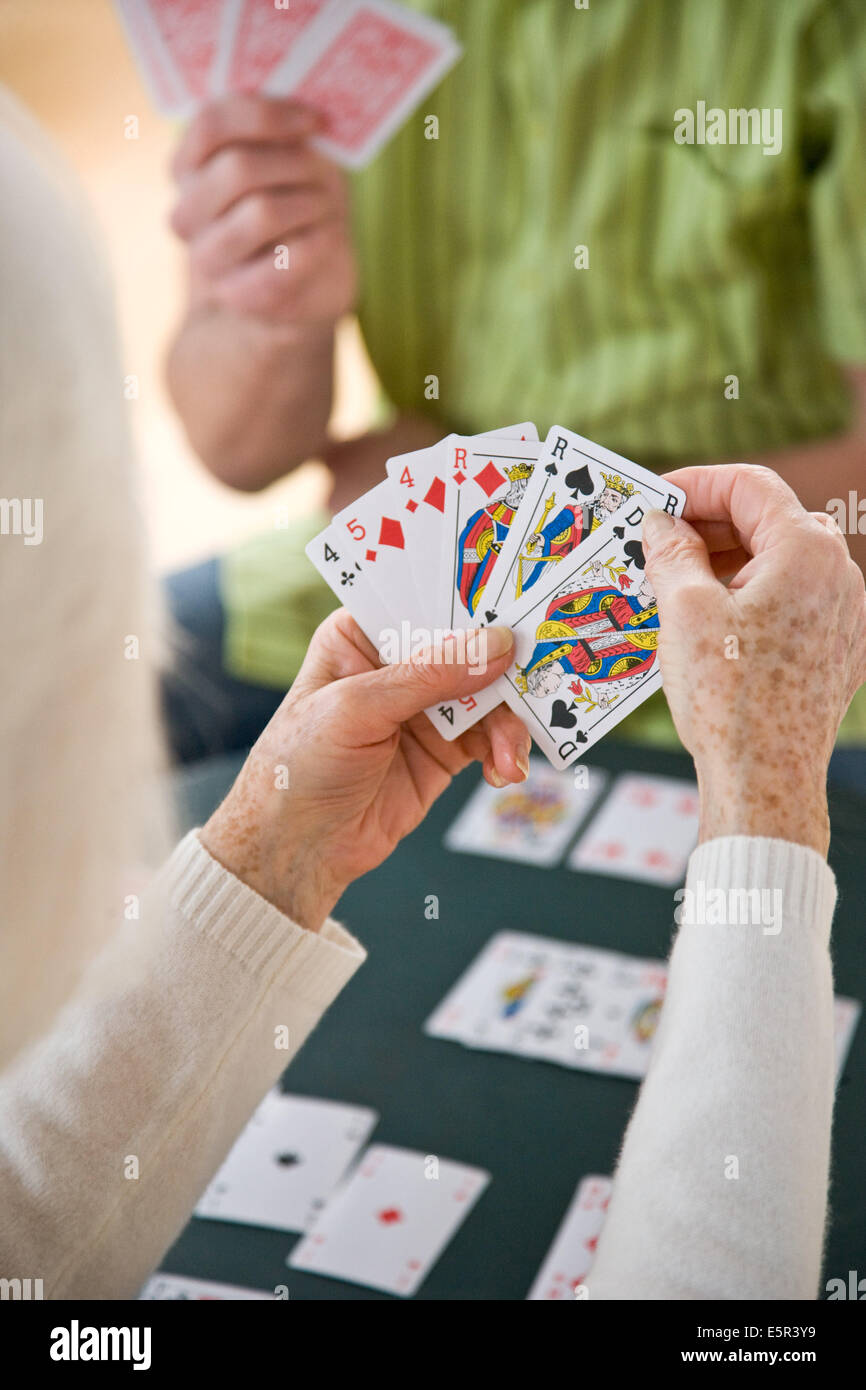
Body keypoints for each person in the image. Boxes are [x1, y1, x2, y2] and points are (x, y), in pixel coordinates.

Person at [2, 85, 864, 1304]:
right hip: (403, 614)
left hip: (667, 588)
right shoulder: (306, 57)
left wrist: (271, 856)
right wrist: (767, 793)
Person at [163, 0, 866, 761]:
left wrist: (475, 526)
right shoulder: (307, 20)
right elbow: (237, 452)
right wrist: (271, 320)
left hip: (782, 640)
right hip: (390, 596)